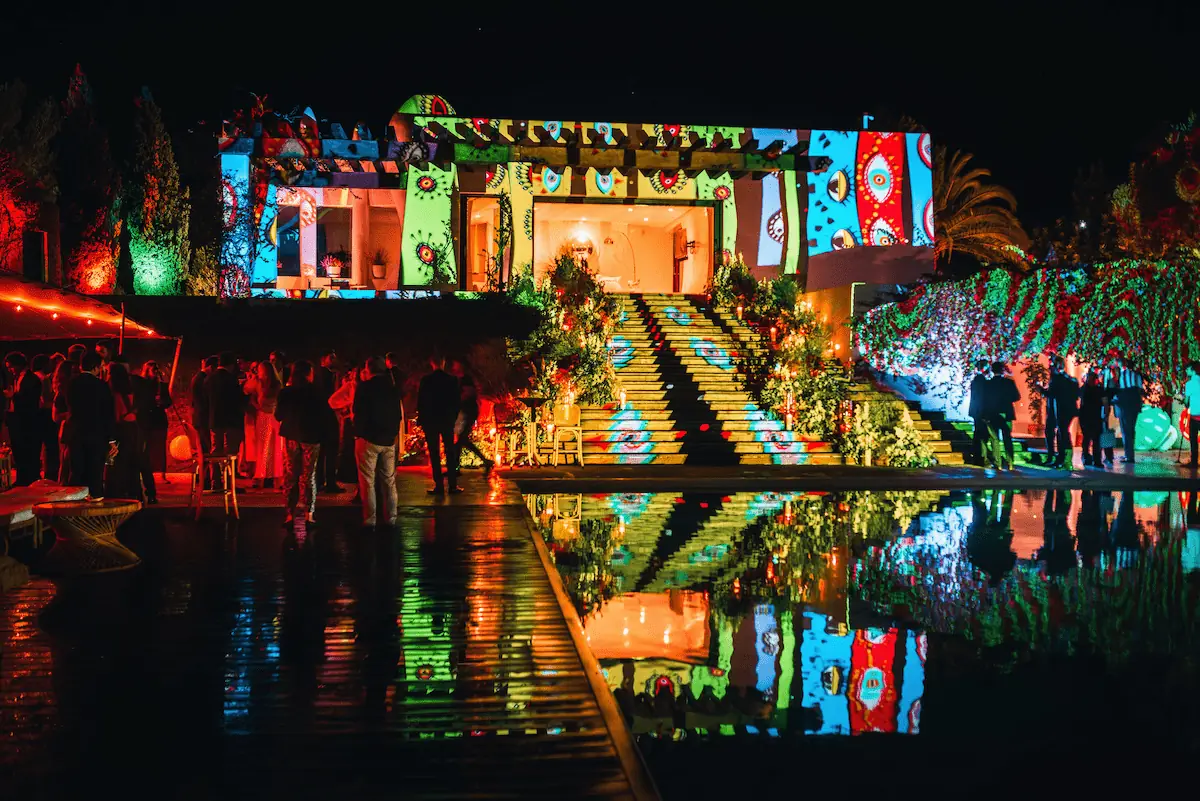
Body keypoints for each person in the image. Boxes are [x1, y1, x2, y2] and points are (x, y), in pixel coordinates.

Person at [353, 357, 402, 526]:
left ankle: (370, 519)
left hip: (368, 438)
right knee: (389, 480)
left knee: (367, 481)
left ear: (368, 369)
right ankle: (391, 517)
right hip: (388, 440)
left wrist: (358, 433)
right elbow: (398, 415)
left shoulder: (364, 388)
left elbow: (358, 412)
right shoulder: (392, 389)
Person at [276, 359, 324, 525]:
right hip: (311, 436)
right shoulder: (316, 392)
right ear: (309, 374)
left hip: (290, 435)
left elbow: (278, 415)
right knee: (308, 475)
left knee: (290, 474)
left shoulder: (286, 392)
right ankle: (309, 513)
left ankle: (289, 513)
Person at [67, 352, 115, 498]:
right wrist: (111, 439)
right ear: (95, 367)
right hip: (96, 434)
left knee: (77, 471)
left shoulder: (72, 384)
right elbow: (108, 413)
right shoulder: (101, 386)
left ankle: (75, 503)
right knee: (95, 473)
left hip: (76, 432)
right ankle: (95, 502)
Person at [418, 355, 462, 494]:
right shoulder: (452, 380)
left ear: (432, 364)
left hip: (431, 420)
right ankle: (453, 485)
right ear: (443, 363)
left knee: (434, 452)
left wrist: (423, 418)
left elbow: (421, 402)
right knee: (450, 451)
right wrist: (453, 418)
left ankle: (439, 485)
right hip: (446, 419)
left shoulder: (426, 380)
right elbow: (456, 402)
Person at [3, 352, 42, 485]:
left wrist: (13, 396)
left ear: (18, 364)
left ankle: (29, 478)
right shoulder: (16, 378)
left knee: (28, 451)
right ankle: (22, 478)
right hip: (16, 420)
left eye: (11, 367)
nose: (10, 370)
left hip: (27, 421)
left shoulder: (32, 379)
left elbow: (30, 400)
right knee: (18, 451)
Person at [107, 363, 144, 500]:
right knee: (133, 462)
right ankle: (135, 492)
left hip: (121, 430)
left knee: (117, 462)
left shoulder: (115, 395)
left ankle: (118, 493)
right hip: (133, 429)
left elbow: (116, 416)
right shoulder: (131, 393)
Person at [1034, 356, 1078, 469]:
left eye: (1051, 366)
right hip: (1063, 411)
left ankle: (1060, 459)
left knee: (1061, 434)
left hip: (1058, 410)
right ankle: (1059, 458)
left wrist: (1041, 389)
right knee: (1059, 432)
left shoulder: (1058, 379)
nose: (1050, 368)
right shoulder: (1070, 380)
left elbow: (1052, 393)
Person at [249, 361, 284, 488]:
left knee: (273, 448)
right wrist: (257, 405)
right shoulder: (260, 383)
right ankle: (263, 476)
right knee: (265, 447)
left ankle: (273, 477)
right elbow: (248, 392)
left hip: (271, 416)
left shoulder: (273, 384)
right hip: (267, 415)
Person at [455, 368, 494, 474]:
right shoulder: (462, 379)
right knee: (462, 440)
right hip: (466, 411)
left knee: (461, 440)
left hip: (468, 411)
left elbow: (469, 394)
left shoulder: (466, 379)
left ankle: (456, 468)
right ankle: (485, 461)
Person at [208, 352, 245, 461]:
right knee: (231, 453)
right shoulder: (231, 379)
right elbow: (237, 399)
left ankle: (215, 471)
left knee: (216, 452)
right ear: (231, 365)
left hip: (215, 421)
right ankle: (230, 471)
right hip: (231, 422)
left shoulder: (209, 379)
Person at [314, 349, 342, 493]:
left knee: (322, 451)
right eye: (331, 357)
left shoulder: (317, 375)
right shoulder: (327, 376)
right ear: (323, 359)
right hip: (328, 416)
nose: (334, 360)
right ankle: (329, 481)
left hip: (319, 417)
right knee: (330, 450)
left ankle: (319, 481)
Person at [985, 361, 1021, 471]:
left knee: (994, 439)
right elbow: (1017, 397)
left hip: (993, 413)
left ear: (992, 370)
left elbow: (985, 400)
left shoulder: (988, 384)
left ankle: (998, 463)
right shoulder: (1009, 382)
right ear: (1002, 370)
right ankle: (1010, 462)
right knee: (1007, 438)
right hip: (1007, 413)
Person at [32, 353, 59, 483]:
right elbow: (47, 398)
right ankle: (50, 473)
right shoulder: (44, 379)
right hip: (46, 413)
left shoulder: (34, 376)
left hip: (37, 414)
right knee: (50, 445)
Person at [1115, 356, 1145, 464]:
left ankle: (1129, 456)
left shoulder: (1121, 375)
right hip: (1134, 405)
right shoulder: (1136, 375)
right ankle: (1129, 454)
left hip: (1125, 405)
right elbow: (1140, 390)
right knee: (1131, 430)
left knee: (1126, 430)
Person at [50, 360, 76, 484]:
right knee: (66, 461)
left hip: (69, 429)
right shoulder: (62, 392)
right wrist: (71, 414)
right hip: (67, 429)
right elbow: (55, 416)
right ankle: (64, 485)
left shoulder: (66, 390)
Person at [1078, 367, 1107, 468]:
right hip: (1091, 417)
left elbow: (1105, 402)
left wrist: (1106, 413)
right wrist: (1106, 414)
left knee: (1090, 439)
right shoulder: (1096, 390)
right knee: (1093, 439)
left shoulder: (1085, 389)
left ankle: (1090, 458)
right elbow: (1105, 402)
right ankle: (1094, 459)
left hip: (1089, 417)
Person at [191, 357, 217, 468]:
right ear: (211, 367)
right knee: (204, 450)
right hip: (202, 419)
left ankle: (205, 474)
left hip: (200, 418)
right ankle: (204, 475)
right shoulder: (202, 379)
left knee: (204, 449)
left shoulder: (198, 378)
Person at [967, 360, 991, 466]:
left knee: (978, 434)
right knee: (982, 435)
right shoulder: (983, 382)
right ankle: (981, 457)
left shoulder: (976, 380)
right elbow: (982, 398)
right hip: (981, 412)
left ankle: (977, 457)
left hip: (976, 411)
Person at [1182, 362, 1200, 468]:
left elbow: (1186, 401)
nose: (1186, 370)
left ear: (1193, 370)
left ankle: (1194, 462)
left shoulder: (1190, 384)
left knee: (1193, 440)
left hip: (1195, 416)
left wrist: (1185, 403)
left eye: (1188, 369)